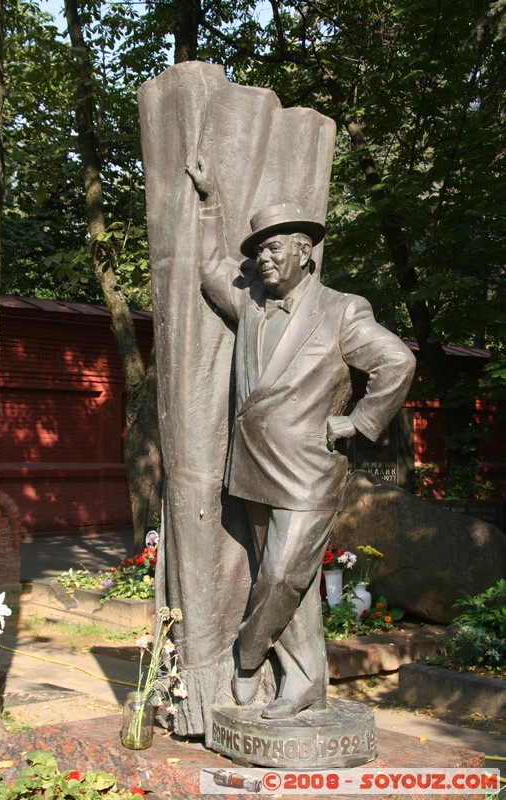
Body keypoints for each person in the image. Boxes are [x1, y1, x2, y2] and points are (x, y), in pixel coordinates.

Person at [187, 158, 415, 720]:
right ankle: (304, 681)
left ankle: (247, 650)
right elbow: (212, 267)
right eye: (258, 252)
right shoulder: (250, 305)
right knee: (291, 582)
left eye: (273, 249)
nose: (262, 259)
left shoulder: (341, 311)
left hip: (311, 469)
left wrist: (360, 422)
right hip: (253, 465)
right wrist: (211, 202)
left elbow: (397, 361)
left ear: (305, 252)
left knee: (285, 573)